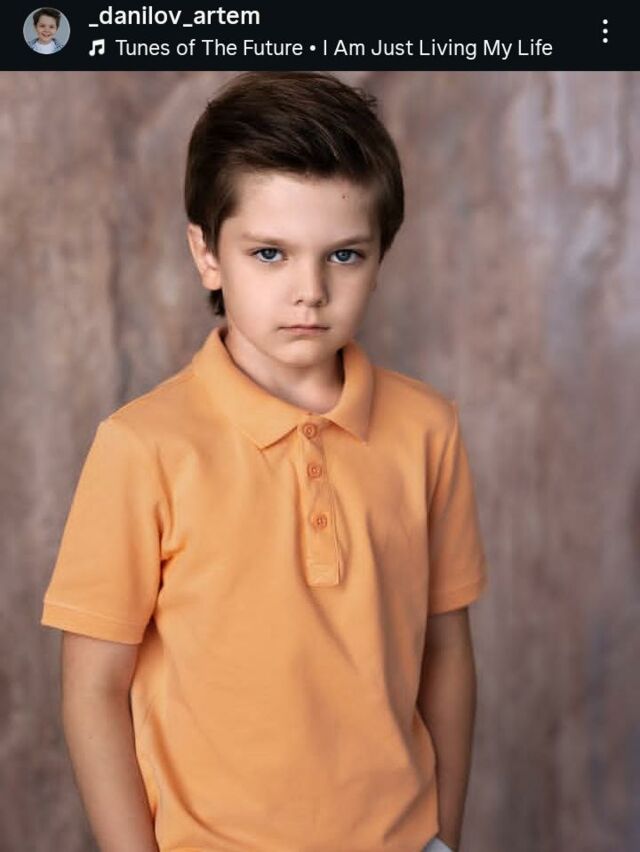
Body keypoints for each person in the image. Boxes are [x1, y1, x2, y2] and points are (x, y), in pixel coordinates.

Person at [40, 71, 489, 852]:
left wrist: (442, 834)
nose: (310, 291)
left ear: (381, 255)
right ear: (208, 254)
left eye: (344, 254)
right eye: (271, 253)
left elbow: (446, 651)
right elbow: (93, 689)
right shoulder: (142, 447)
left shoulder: (427, 430)